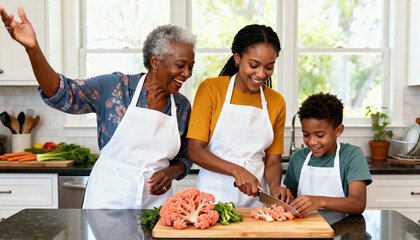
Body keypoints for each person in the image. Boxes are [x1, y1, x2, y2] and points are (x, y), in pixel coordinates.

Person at [0, 6, 196, 209]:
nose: (187, 73)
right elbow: (61, 92)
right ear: (155, 61)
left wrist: (171, 172)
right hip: (108, 200)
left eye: (191, 67)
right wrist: (33, 49)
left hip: (156, 204)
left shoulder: (181, 107)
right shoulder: (114, 88)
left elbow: (185, 156)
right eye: (180, 65)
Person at [187, 24, 292, 207]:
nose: (261, 74)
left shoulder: (276, 101)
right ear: (237, 58)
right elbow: (195, 151)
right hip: (213, 196)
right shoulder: (211, 89)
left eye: (269, 67)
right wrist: (237, 170)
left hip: (256, 199)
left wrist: (275, 187)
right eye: (253, 65)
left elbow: (273, 160)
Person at [283, 93, 372, 214]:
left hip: (342, 228)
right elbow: (290, 200)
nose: (312, 142)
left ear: (338, 130)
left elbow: (358, 204)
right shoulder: (298, 158)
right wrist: (283, 196)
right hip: (304, 228)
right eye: (306, 135)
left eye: (320, 135)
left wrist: (320, 201)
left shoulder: (352, 155)